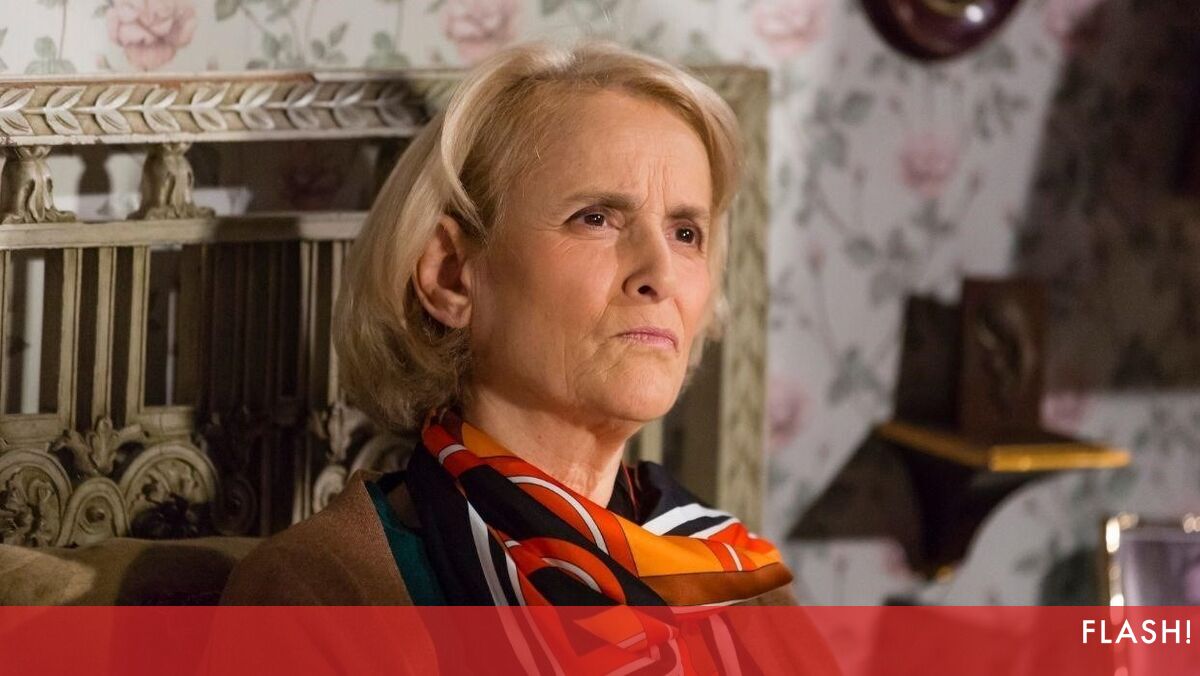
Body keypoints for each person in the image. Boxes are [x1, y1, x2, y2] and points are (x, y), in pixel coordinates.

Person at [221, 39, 796, 611]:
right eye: (595, 218)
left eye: (686, 233)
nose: (661, 275)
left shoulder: (741, 585)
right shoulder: (324, 594)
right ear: (450, 276)